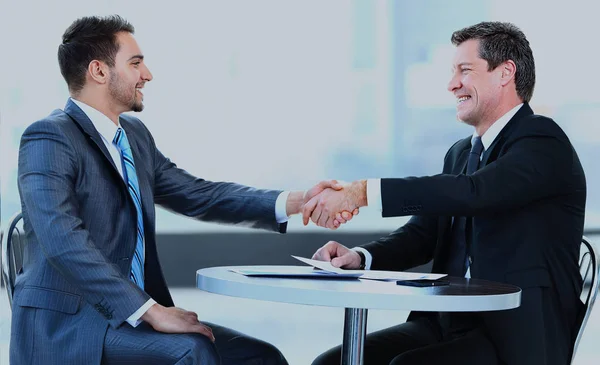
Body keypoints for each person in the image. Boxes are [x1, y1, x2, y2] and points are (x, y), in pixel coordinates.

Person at [10, 15, 354, 365]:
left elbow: (199, 194)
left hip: (130, 319)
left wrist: (299, 201)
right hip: (73, 327)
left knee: (259, 357)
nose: (148, 74)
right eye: (135, 63)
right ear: (98, 71)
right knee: (193, 351)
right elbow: (62, 239)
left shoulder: (134, 136)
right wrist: (150, 311)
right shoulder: (49, 137)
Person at [306, 21, 586, 365]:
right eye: (453, 72)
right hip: (445, 321)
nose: (452, 84)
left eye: (464, 71)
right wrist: (361, 257)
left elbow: (475, 192)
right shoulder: (459, 154)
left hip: (513, 333)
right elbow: (422, 234)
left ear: (505, 73)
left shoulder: (542, 140)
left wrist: (360, 193)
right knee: (331, 362)